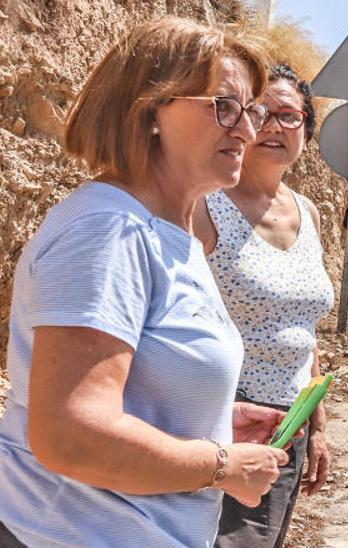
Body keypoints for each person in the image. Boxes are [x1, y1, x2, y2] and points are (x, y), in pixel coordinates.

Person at [0, 18, 289, 547]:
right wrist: (222, 464)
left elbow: (128, 394)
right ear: (149, 108)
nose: (247, 130)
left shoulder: (169, 231)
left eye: (253, 111)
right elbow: (71, 436)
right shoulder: (109, 233)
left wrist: (210, 420)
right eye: (224, 106)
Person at [194, 64, 335, 547]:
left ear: (307, 132)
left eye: (290, 116)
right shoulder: (205, 207)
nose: (276, 126)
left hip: (288, 428)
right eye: (263, 113)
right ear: (244, 122)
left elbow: (305, 331)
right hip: (223, 422)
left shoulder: (309, 212)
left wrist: (316, 427)